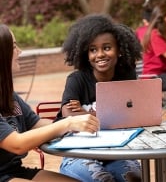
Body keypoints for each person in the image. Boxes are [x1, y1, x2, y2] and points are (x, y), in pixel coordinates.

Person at [0, 24, 100, 181]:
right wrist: (67, 124)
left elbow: (37, 124)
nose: (20, 51)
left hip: (15, 171)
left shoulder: (9, 96)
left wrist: (75, 122)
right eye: (13, 47)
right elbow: (16, 144)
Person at [56, 14, 142, 182]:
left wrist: (86, 115)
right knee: (101, 179)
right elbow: (68, 115)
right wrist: (114, 116)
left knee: (133, 178)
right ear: (85, 54)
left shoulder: (126, 75)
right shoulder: (76, 79)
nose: (100, 54)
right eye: (93, 50)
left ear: (119, 50)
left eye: (107, 47)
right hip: (79, 152)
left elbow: (135, 114)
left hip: (117, 151)